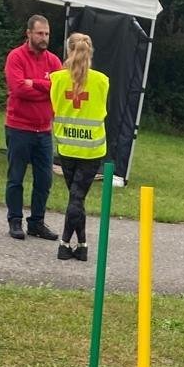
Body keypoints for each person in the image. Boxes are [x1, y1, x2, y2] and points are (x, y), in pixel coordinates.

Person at [48, 31, 110, 263]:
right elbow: (102, 109)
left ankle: (72, 245)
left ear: (67, 51)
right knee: (77, 198)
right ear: (90, 52)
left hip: (67, 148)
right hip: (92, 150)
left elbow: (54, 106)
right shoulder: (102, 81)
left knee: (76, 198)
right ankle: (75, 245)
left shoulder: (56, 79)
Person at [4, 14, 61, 242]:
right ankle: (15, 220)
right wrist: (45, 90)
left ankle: (37, 222)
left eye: (46, 34)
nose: (44, 37)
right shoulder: (16, 57)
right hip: (19, 127)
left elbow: (58, 90)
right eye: (39, 33)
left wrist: (35, 83)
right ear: (28, 33)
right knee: (16, 177)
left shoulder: (54, 61)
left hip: (44, 130)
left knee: (44, 179)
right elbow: (18, 89)